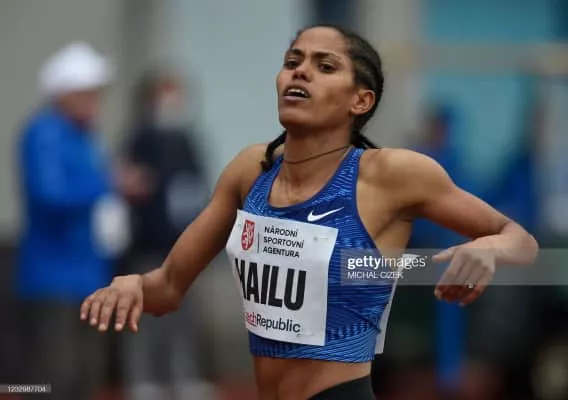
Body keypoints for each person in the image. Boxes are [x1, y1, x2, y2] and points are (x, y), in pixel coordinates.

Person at [80, 24, 538, 399]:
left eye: (325, 66)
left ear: (360, 100)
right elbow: (169, 286)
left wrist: (490, 249)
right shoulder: (250, 171)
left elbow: (520, 238)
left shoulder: (390, 175)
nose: (300, 72)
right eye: (292, 61)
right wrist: (133, 285)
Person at [16, 42, 131, 399]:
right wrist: (109, 182)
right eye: (88, 92)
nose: (95, 100)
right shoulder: (43, 133)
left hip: (89, 276)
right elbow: (49, 196)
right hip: (53, 280)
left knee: (85, 374)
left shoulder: (86, 137)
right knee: (53, 378)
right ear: (65, 93)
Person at [119, 68, 211, 399]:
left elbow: (199, 186)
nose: (174, 102)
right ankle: (143, 380)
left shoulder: (186, 140)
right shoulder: (139, 139)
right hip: (146, 245)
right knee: (144, 316)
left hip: (183, 247)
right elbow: (127, 186)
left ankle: (184, 377)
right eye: (167, 94)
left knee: (183, 318)